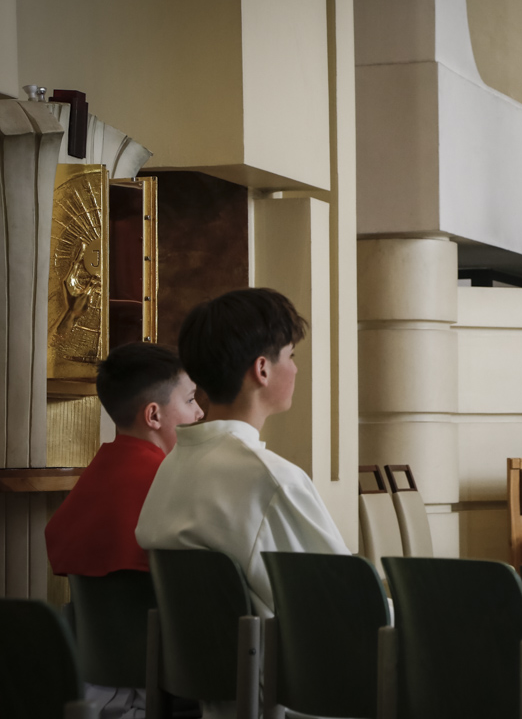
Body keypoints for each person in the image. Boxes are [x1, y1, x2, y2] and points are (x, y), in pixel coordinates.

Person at [135, 288, 349, 618]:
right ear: (262, 369)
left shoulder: (171, 468)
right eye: (291, 356)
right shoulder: (273, 480)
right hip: (275, 651)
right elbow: (345, 605)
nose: (295, 369)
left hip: (203, 652)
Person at [44, 342, 203, 719]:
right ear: (154, 415)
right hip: (167, 684)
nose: (199, 412)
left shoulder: (92, 480)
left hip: (92, 679)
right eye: (190, 400)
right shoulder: (174, 485)